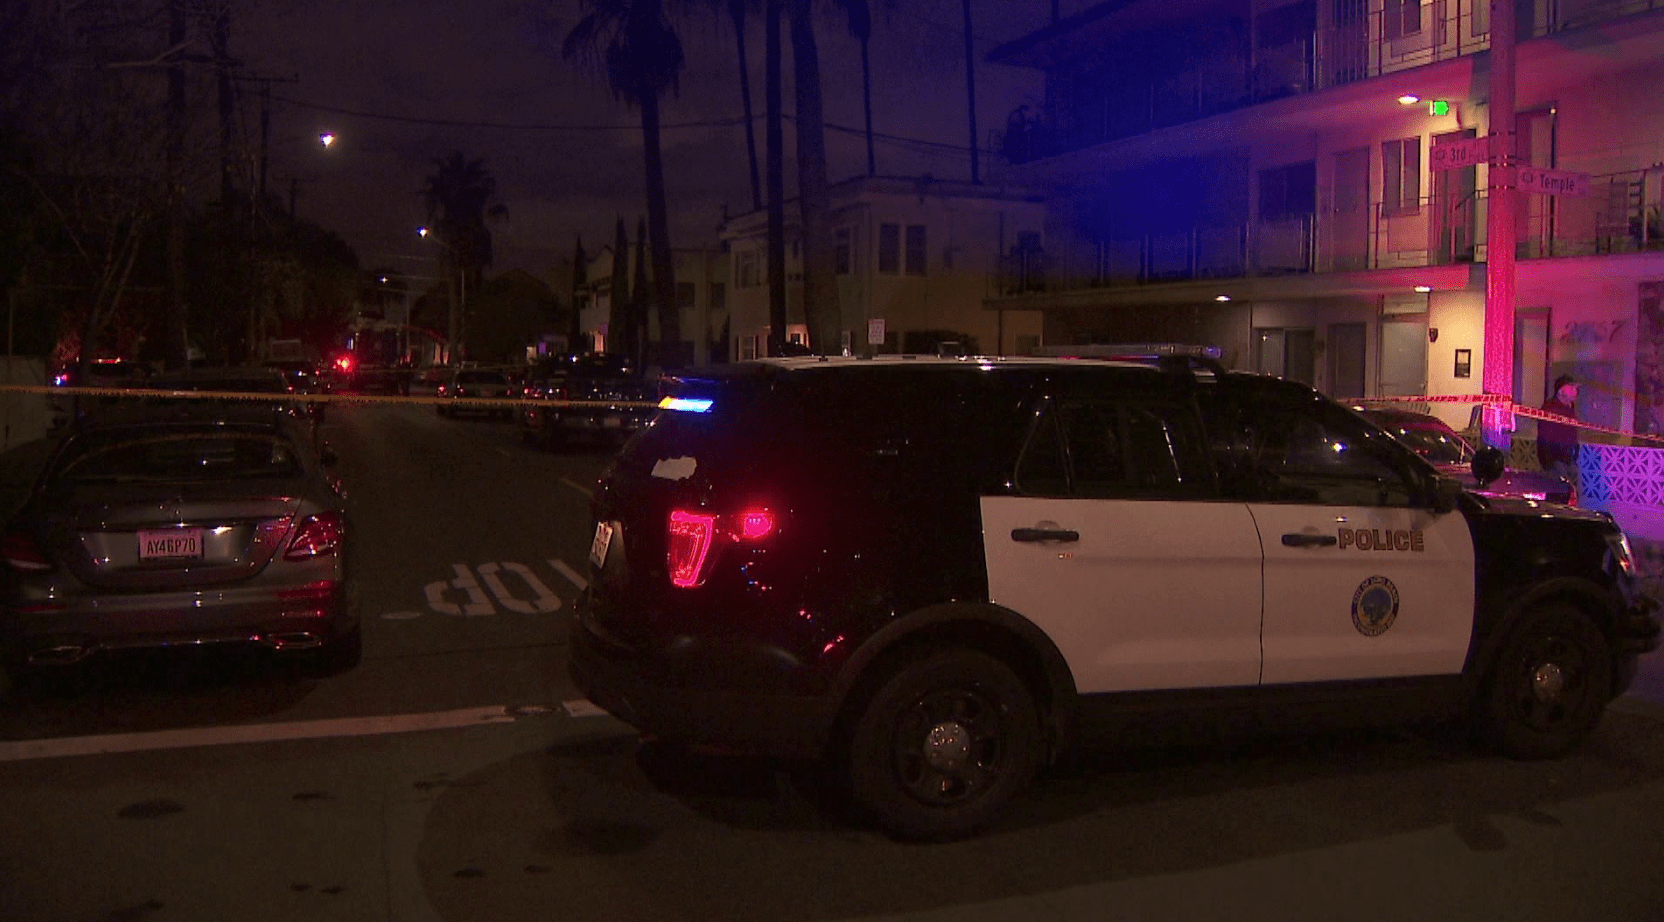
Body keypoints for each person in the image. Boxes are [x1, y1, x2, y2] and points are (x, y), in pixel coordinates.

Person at [1537, 374, 1580, 480]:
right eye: (1571, 387)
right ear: (1561, 391)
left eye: (1575, 388)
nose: (1575, 391)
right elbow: (1545, 436)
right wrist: (1550, 461)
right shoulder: (1550, 408)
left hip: (1568, 459)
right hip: (1555, 460)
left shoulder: (1570, 408)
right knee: (1557, 490)